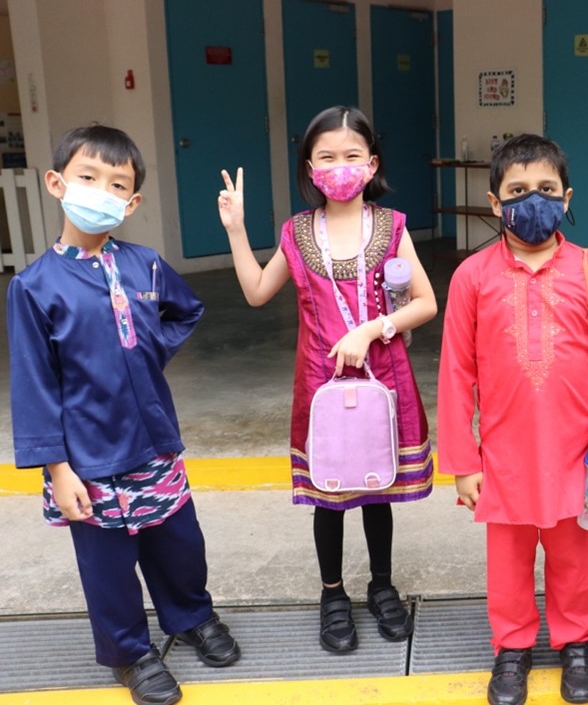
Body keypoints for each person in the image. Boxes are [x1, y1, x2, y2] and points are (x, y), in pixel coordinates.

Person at [8, 125, 239, 705]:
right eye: (88, 178)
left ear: (131, 203)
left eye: (118, 185)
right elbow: (34, 385)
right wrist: (57, 470)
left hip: (155, 443)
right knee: (107, 566)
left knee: (179, 543)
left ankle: (189, 615)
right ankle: (130, 653)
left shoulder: (146, 265)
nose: (101, 192)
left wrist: (148, 343)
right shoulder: (35, 288)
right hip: (88, 460)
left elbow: (185, 310)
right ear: (58, 183)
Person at [217, 106, 436, 653]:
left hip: (382, 378)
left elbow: (427, 303)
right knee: (329, 497)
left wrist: (374, 328)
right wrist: (237, 230)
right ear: (310, 167)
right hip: (321, 384)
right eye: (327, 157)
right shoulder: (296, 232)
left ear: (372, 163)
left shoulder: (392, 226)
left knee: (378, 490)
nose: (340, 166)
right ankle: (332, 593)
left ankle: (381, 586)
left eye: (351, 156)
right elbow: (256, 291)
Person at [437, 134, 588, 705]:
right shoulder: (472, 277)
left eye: (546, 190)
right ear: (495, 203)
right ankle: (513, 649)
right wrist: (463, 462)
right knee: (508, 561)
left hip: (581, 450)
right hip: (505, 455)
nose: (533, 201)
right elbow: (456, 372)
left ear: (566, 196)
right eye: (518, 191)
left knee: (576, 555)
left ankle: (577, 643)